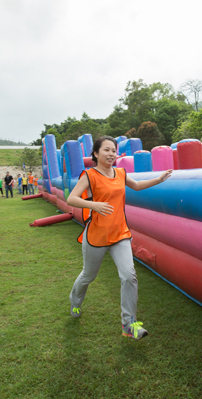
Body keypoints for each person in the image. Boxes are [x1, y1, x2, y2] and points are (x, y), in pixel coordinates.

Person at [67, 136, 172, 340]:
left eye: (114, 151)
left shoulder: (121, 173)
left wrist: (158, 179)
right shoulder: (90, 175)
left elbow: (137, 185)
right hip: (96, 236)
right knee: (88, 276)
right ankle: (75, 302)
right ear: (96, 153)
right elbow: (72, 198)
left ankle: (128, 324)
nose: (111, 154)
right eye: (106, 150)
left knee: (129, 276)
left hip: (120, 234)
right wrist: (94, 205)